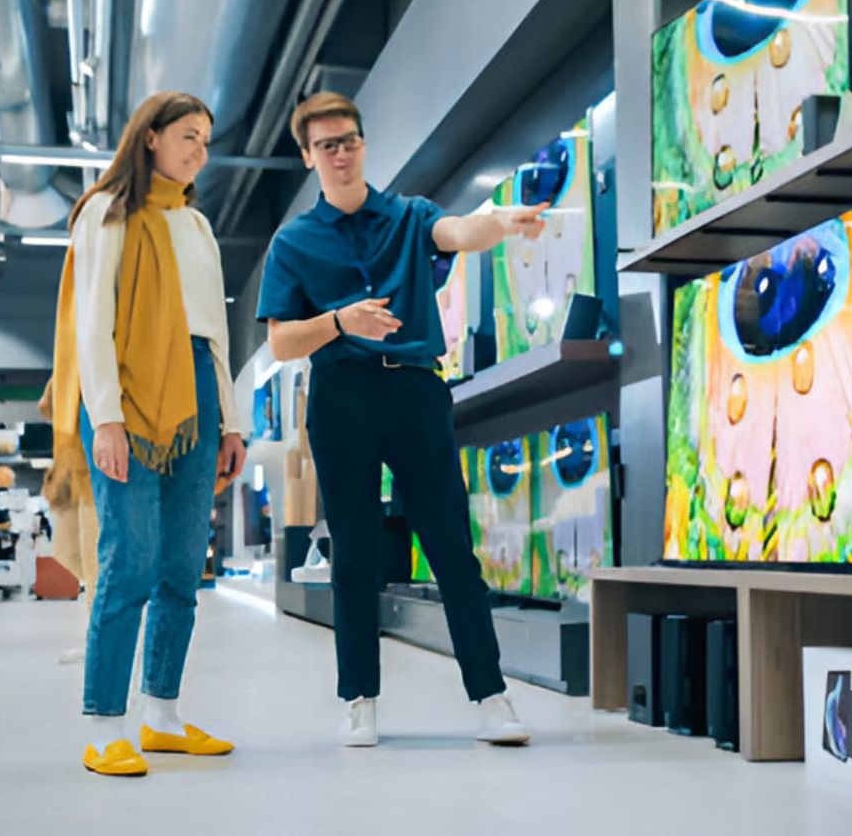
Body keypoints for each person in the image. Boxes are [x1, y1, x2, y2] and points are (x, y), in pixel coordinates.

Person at [259, 91, 546, 748]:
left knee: (450, 546)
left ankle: (491, 696)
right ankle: (358, 696)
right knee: (355, 554)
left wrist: (499, 219)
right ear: (308, 156)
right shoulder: (294, 242)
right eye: (326, 144)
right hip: (340, 396)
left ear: (363, 143)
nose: (340, 153)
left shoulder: (410, 216)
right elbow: (280, 343)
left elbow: (458, 233)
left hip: (416, 389)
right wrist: (340, 321)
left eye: (350, 140)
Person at [50, 90, 249, 777]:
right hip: (127, 396)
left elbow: (215, 335)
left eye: (205, 139)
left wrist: (232, 420)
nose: (199, 150)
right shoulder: (105, 213)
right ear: (150, 139)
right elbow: (90, 324)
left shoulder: (195, 226)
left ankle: (160, 715)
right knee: (128, 560)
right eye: (188, 135)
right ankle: (105, 723)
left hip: (195, 393)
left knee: (179, 568)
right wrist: (104, 414)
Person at [37, 377, 99, 664]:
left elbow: (47, 404)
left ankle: (103, 642)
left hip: (96, 463)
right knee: (92, 560)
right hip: (82, 465)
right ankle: (98, 640)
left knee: (99, 561)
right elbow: (48, 403)